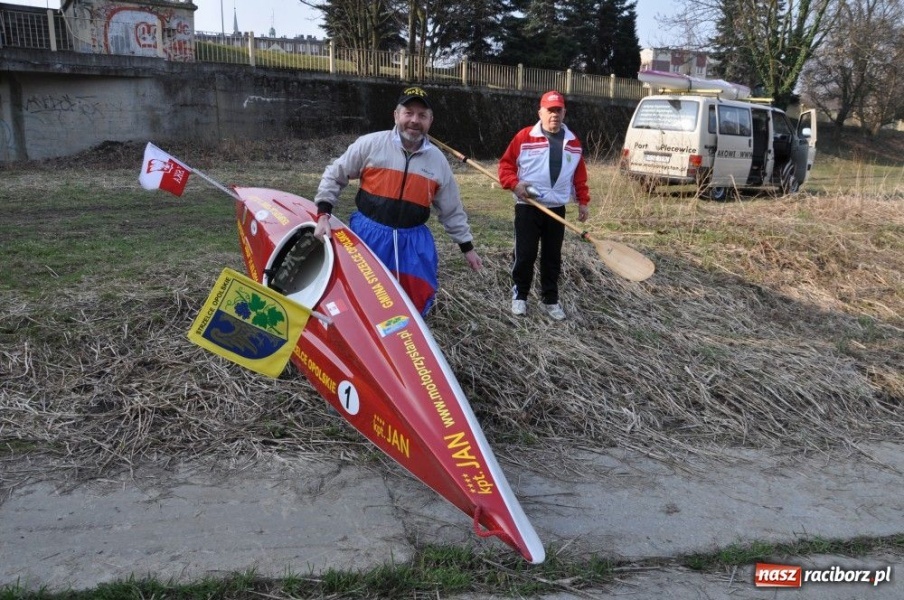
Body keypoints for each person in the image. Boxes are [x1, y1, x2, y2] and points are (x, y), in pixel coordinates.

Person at [313, 86, 483, 315]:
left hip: (413, 244)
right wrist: (324, 214)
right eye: (408, 113)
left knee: (412, 305)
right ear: (396, 115)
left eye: (422, 115)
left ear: (430, 121)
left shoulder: (438, 161)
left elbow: (451, 209)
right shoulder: (370, 144)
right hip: (368, 236)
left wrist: (467, 247)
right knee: (362, 299)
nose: (415, 120)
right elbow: (335, 175)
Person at [498, 90, 590, 321]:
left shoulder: (573, 142)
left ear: (564, 112)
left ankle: (550, 300)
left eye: (558, 110)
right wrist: (514, 184)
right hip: (528, 206)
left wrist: (583, 201)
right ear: (540, 112)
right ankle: (520, 296)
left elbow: (579, 175)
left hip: (556, 209)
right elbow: (505, 166)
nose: (554, 115)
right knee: (525, 254)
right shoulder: (525, 136)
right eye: (550, 110)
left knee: (552, 257)